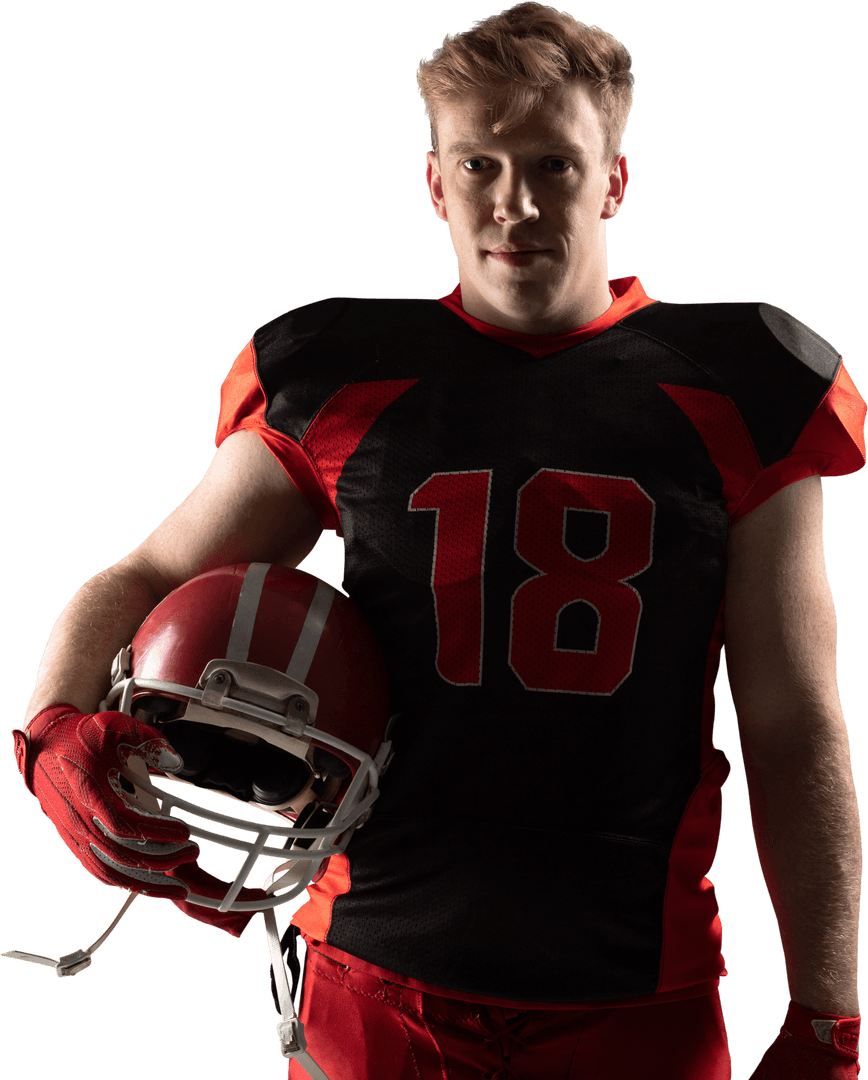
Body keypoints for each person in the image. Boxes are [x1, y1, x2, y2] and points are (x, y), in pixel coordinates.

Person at [9, 4, 864, 1078]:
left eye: (554, 163)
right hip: (374, 987)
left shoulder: (740, 383)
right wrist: (48, 726)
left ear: (613, 182)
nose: (514, 202)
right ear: (434, 182)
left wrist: (828, 1015)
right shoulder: (347, 370)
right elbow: (149, 575)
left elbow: (792, 723)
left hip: (634, 998)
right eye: (480, 164)